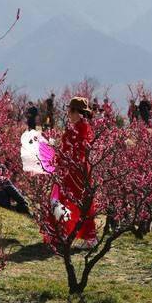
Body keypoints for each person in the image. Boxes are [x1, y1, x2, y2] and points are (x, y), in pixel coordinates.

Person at [53, 96, 97, 246]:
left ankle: (87, 237)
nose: (68, 114)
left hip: (76, 171)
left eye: (71, 111)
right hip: (70, 170)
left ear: (79, 113)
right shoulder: (76, 127)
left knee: (79, 202)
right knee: (65, 200)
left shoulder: (82, 128)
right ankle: (63, 233)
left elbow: (79, 151)